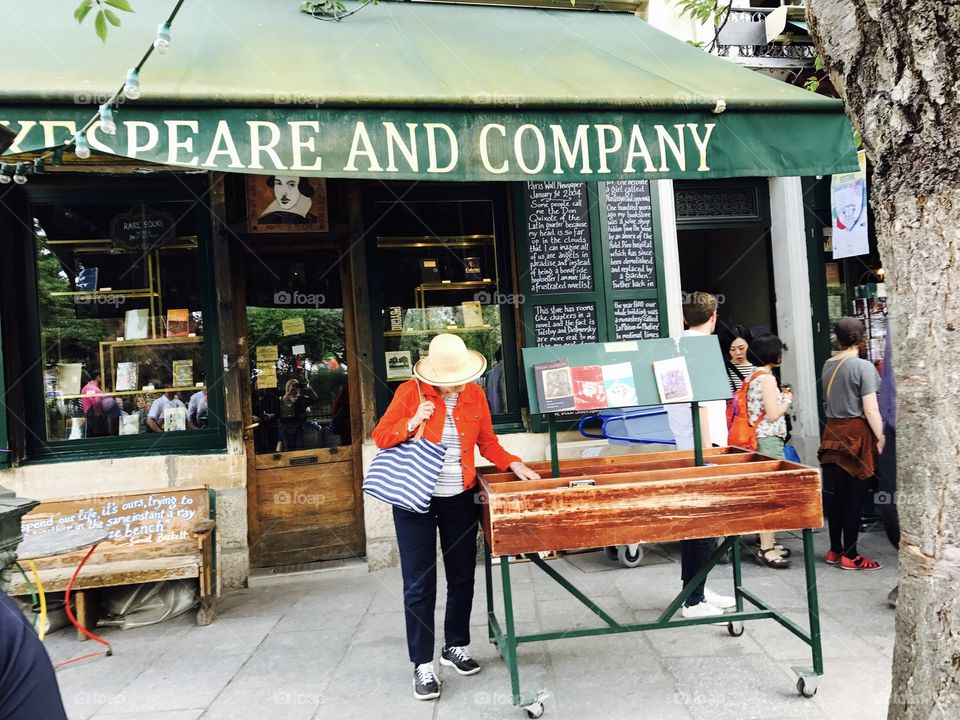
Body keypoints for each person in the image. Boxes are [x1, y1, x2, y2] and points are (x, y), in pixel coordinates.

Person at [372, 334, 540, 702]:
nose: (458, 384)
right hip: (414, 499)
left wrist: (512, 462)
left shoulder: (474, 395)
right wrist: (412, 421)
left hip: (459, 497)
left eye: (463, 376)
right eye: (452, 379)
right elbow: (381, 436)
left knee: (463, 575)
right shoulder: (409, 393)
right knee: (419, 584)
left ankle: (455, 646)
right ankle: (422, 664)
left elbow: (487, 442)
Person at [664, 292, 736, 619]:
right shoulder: (703, 351)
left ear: (683, 318)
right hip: (703, 452)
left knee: (696, 528)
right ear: (714, 316)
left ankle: (697, 590)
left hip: (685, 446)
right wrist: (709, 456)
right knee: (703, 529)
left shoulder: (676, 348)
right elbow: (704, 407)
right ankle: (694, 601)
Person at [819, 317, 885, 570]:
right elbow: (870, 408)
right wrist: (880, 436)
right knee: (855, 498)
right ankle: (852, 555)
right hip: (856, 436)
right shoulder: (863, 367)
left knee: (838, 496)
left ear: (837, 337)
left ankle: (835, 550)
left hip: (832, 433)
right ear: (862, 337)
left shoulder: (828, 364)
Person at [746, 334, 794, 568]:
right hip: (769, 440)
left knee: (765, 493)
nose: (781, 355)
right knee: (771, 496)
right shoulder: (766, 379)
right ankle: (766, 549)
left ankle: (769, 543)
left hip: (758, 440)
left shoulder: (753, 376)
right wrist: (787, 400)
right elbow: (774, 413)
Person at [278, 378, 318, 451]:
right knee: (288, 451)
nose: (294, 388)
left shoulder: (302, 399)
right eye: (292, 385)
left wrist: (308, 388)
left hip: (299, 429)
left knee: (299, 450)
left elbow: (315, 399)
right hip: (286, 430)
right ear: (288, 386)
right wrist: (288, 393)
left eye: (296, 386)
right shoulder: (282, 399)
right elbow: (281, 410)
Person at [721, 325, 755, 393]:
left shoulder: (759, 367)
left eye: (741, 348)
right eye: (732, 349)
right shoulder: (723, 370)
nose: (738, 353)